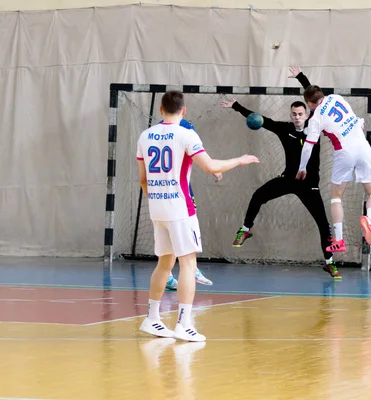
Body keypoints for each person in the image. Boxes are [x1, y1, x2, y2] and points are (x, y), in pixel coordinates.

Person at [137, 90, 259, 341]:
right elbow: (211, 167)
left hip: (157, 207)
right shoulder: (185, 134)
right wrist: (240, 160)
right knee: (188, 264)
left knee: (165, 263)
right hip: (180, 208)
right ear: (184, 111)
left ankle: (152, 318)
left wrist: (158, 199)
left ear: (161, 110)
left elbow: (142, 180)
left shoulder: (145, 136)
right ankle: (183, 323)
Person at [220, 67, 340, 279]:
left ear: (307, 114)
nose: (297, 117)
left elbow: (315, 97)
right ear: (290, 115)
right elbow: (261, 120)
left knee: (324, 225)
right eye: (293, 114)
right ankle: (245, 229)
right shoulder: (284, 129)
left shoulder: (315, 124)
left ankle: (329, 263)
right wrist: (236, 106)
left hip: (310, 185)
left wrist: (302, 78)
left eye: (300, 114)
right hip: (289, 180)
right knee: (258, 195)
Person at [296, 85, 371, 255]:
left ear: (309, 104)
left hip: (344, 152)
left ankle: (339, 240)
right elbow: (355, 120)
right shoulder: (336, 98)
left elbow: (308, 147)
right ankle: (370, 219)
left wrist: (302, 167)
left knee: (336, 197)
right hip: (363, 146)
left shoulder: (315, 118)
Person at [164, 118, 213, 290]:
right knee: (183, 228)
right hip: (174, 189)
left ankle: (170, 274)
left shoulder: (154, 133)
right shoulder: (183, 129)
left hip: (165, 191)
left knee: (172, 230)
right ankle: (189, 268)